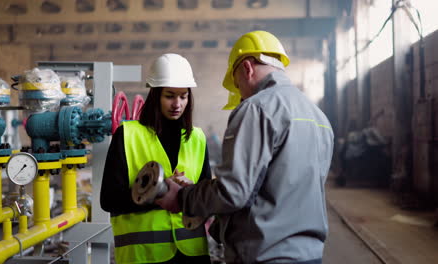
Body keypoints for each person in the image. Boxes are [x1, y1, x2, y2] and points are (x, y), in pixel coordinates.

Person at [156, 31, 335, 264]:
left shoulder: (256, 109)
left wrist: (183, 198)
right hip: (310, 256)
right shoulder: (318, 117)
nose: (240, 95)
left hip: (264, 255)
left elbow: (234, 192)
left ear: (247, 68)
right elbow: (274, 190)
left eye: (237, 85)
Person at [100, 53, 211, 264]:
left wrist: (191, 191)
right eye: (169, 96)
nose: (177, 104)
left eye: (183, 96)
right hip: (143, 255)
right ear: (155, 95)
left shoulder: (197, 138)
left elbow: (207, 197)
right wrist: (159, 193)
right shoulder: (128, 135)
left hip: (192, 253)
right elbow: (109, 199)